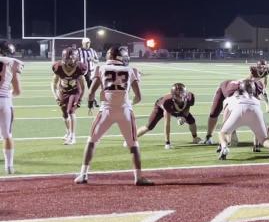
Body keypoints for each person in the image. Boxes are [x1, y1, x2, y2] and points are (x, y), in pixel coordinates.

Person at [74, 46, 153, 186]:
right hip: (125, 111)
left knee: (91, 141)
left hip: (106, 111)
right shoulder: (131, 70)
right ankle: (138, 177)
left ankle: (83, 175)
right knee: (133, 145)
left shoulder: (100, 68)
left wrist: (91, 102)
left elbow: (91, 92)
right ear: (120, 57)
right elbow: (139, 97)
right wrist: (128, 104)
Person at [218, 79, 269, 161]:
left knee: (223, 133)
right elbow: (259, 116)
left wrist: (229, 132)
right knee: (264, 139)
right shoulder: (256, 100)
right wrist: (256, 144)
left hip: (238, 109)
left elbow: (226, 114)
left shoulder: (231, 97)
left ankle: (224, 148)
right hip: (255, 110)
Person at [136, 83, 201, 149]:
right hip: (161, 108)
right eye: (178, 95)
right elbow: (167, 123)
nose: (181, 96)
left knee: (191, 121)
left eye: (182, 93)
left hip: (175, 108)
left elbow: (187, 106)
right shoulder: (167, 102)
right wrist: (167, 142)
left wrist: (184, 116)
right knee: (149, 126)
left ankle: (195, 138)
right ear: (174, 95)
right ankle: (131, 138)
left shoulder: (190, 97)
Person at [202, 78, 263, 145]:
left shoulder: (257, 87)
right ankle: (208, 137)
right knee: (214, 112)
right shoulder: (231, 92)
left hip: (242, 89)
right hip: (225, 89)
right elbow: (227, 114)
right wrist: (230, 132)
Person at [51, 47, 87, 145]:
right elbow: (53, 84)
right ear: (64, 58)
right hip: (63, 91)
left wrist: (80, 98)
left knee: (70, 112)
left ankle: (72, 136)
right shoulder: (58, 67)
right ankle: (68, 132)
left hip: (75, 91)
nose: (72, 60)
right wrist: (56, 96)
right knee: (65, 114)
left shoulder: (80, 67)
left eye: (73, 58)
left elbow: (83, 86)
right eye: (69, 58)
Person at [0, 41, 23, 174]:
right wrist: (9, 93)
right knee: (7, 135)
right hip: (4, 101)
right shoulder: (12, 63)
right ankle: (9, 167)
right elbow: (17, 91)